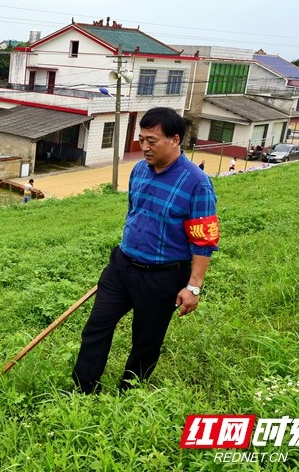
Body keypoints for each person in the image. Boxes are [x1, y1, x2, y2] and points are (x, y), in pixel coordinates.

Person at [72, 107, 219, 394]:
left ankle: (130, 393)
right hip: (122, 266)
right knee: (97, 326)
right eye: (142, 140)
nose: (145, 147)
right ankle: (83, 389)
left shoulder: (196, 183)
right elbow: (133, 213)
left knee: (146, 341)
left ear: (175, 140)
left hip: (162, 276)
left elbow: (204, 241)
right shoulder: (140, 170)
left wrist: (194, 287)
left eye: (152, 141)